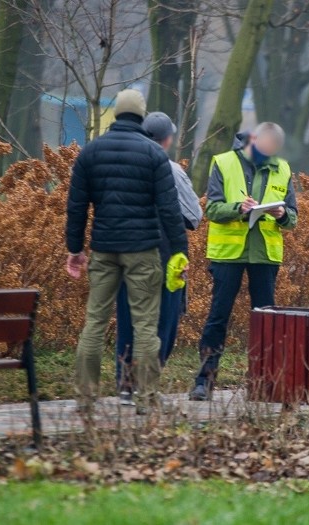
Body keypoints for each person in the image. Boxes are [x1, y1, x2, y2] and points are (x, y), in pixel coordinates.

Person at [65, 89, 188, 414]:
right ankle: (146, 399)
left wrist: (75, 249)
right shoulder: (154, 154)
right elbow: (170, 210)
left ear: (116, 114)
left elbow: (76, 207)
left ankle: (85, 398)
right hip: (143, 250)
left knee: (94, 323)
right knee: (146, 325)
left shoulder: (90, 152)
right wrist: (179, 252)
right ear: (142, 115)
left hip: (104, 249)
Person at [189, 122, 298, 401]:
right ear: (252, 141)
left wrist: (279, 214)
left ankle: (265, 383)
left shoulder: (283, 169)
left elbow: (293, 218)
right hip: (229, 254)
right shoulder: (223, 163)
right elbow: (211, 208)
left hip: (265, 255)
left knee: (266, 321)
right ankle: (204, 382)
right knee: (218, 317)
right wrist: (239, 208)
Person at [115, 112, 203, 405]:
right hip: (165, 258)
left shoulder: (121, 167)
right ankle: (147, 386)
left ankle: (125, 386)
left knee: (128, 321)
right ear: (167, 140)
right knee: (163, 323)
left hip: (127, 255)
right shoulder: (172, 170)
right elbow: (194, 216)